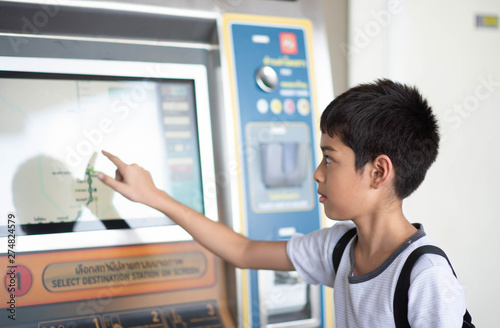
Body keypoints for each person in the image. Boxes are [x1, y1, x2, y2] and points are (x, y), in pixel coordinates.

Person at [98, 79, 467, 327]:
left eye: (330, 159)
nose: (317, 174)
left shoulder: (425, 276)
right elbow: (242, 251)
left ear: (377, 172)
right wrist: (153, 197)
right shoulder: (339, 247)